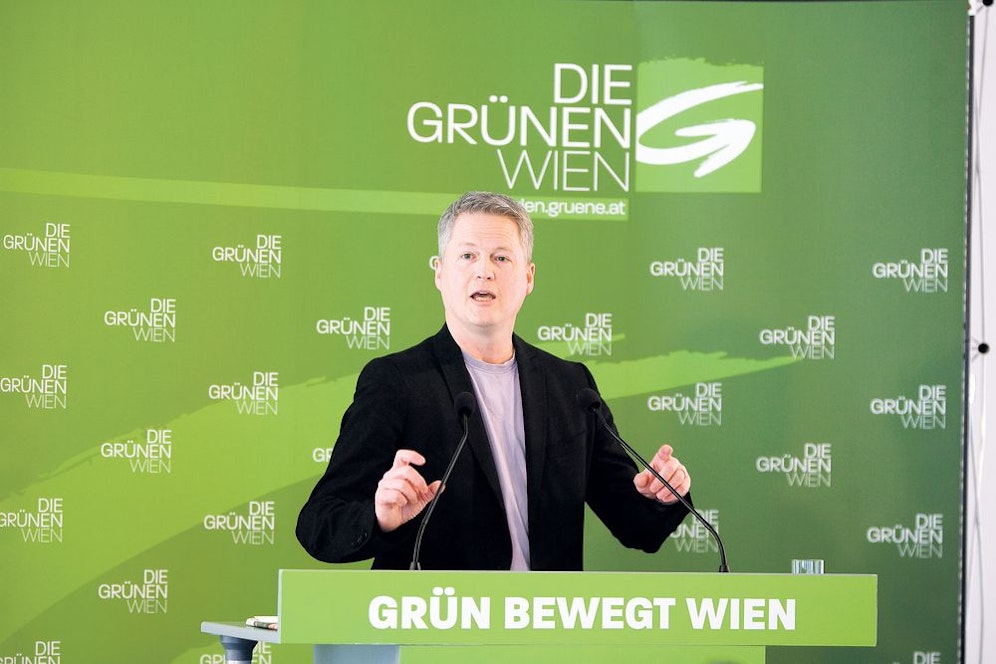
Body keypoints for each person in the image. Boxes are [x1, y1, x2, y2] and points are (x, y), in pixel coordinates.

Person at [296, 191, 692, 570]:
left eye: (501, 257)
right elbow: (321, 522)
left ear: (528, 277)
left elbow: (637, 526)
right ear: (440, 272)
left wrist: (664, 493)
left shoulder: (571, 387)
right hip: (438, 615)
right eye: (467, 255)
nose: (484, 270)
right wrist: (381, 517)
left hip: (543, 617)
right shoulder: (397, 382)